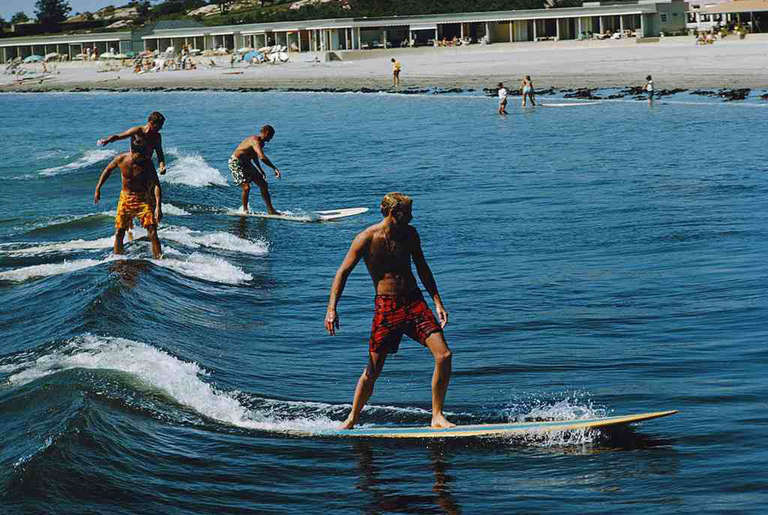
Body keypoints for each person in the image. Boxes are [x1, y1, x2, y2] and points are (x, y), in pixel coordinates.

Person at [325, 192, 454, 430]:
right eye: (408, 212)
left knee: (444, 355)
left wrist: (437, 302)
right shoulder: (366, 238)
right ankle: (352, 418)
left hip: (415, 303)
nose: (412, 217)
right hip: (387, 307)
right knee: (373, 370)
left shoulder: (410, 234)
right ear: (395, 213)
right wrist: (331, 308)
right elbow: (342, 273)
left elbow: (423, 268)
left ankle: (437, 416)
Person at [94, 135, 163, 259]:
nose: (141, 157)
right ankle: (118, 259)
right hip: (125, 199)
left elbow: (157, 184)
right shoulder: (121, 159)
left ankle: (160, 260)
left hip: (143, 199)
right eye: (139, 154)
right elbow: (107, 170)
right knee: (119, 232)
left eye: (143, 153)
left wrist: (158, 206)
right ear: (132, 150)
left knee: (152, 231)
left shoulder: (147, 163)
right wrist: (98, 188)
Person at [229, 125, 282, 214]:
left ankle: (271, 210)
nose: (271, 139)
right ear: (266, 133)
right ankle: (245, 210)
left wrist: (260, 169)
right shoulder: (254, 140)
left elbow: (254, 156)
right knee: (246, 187)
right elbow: (261, 157)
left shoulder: (261, 143)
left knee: (264, 184)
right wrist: (274, 168)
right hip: (236, 162)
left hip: (247, 163)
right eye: (271, 136)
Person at [97, 111, 167, 176]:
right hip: (133, 160)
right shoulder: (137, 131)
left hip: (147, 163)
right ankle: (98, 188)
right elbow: (119, 136)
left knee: (157, 188)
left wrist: (162, 167)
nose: (159, 129)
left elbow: (160, 154)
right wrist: (107, 140)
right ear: (150, 122)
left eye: (160, 127)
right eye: (157, 127)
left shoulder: (157, 137)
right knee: (110, 167)